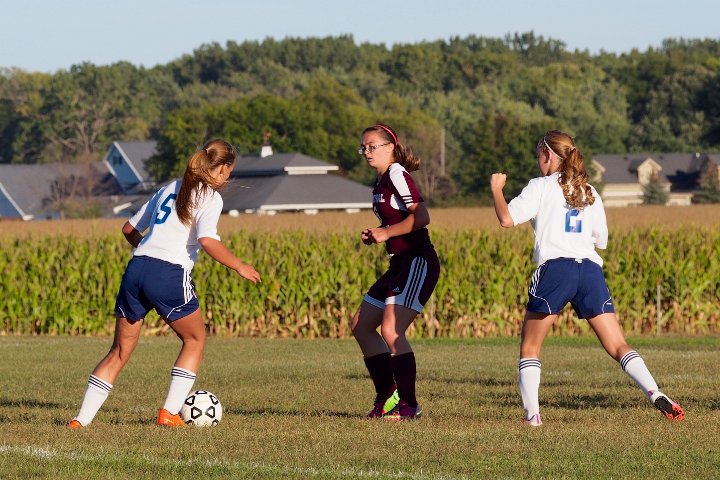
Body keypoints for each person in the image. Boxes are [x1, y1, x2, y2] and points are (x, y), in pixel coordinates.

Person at [490, 129, 685, 426]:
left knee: (530, 347)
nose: (537, 161)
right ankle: (655, 391)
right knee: (618, 345)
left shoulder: (540, 186)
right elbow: (600, 240)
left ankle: (533, 416)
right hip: (590, 271)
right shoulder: (588, 190)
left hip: (556, 270)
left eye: (538, 155)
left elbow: (506, 219)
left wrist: (496, 189)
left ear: (548, 155)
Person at [68, 139, 261, 428]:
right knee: (195, 339)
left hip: (136, 269)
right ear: (222, 168)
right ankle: (169, 413)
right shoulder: (210, 197)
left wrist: (150, 250)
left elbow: (129, 229)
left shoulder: (170, 187)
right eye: (229, 172)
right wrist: (240, 266)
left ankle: (80, 421)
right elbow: (207, 240)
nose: (227, 178)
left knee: (119, 351)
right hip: (168, 274)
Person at [351, 123, 441, 421]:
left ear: (390, 147)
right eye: (363, 147)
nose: (367, 152)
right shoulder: (380, 182)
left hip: (417, 261)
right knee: (361, 325)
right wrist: (377, 234)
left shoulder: (396, 174)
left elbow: (422, 216)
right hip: (399, 264)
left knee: (391, 331)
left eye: (372, 146)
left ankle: (409, 405)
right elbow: (394, 222)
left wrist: (386, 232)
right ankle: (387, 395)